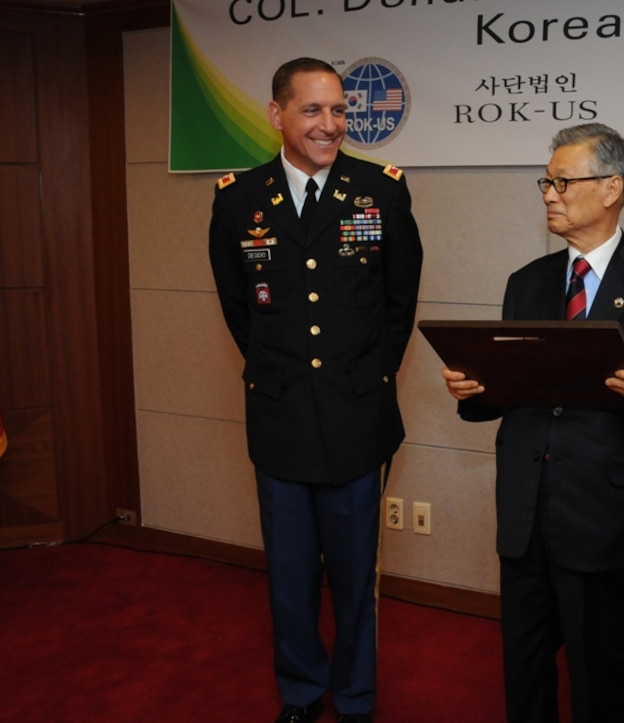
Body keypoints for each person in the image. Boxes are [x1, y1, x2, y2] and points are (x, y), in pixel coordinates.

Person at [442, 123, 624, 722]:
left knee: (598, 666)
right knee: (524, 660)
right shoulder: (526, 282)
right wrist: (472, 387)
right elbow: (504, 394)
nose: (549, 194)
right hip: (525, 505)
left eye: (563, 181)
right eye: (546, 181)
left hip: (603, 512)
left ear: (612, 188)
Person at [208, 57, 423, 723]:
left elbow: (398, 303)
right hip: (279, 417)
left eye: (338, 111)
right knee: (291, 578)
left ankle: (356, 698)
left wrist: (361, 375)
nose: (330, 124)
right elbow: (239, 307)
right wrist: (285, 369)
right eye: (313, 110)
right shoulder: (238, 198)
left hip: (358, 415)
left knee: (357, 576)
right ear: (277, 115)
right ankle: (301, 693)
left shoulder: (380, 191)